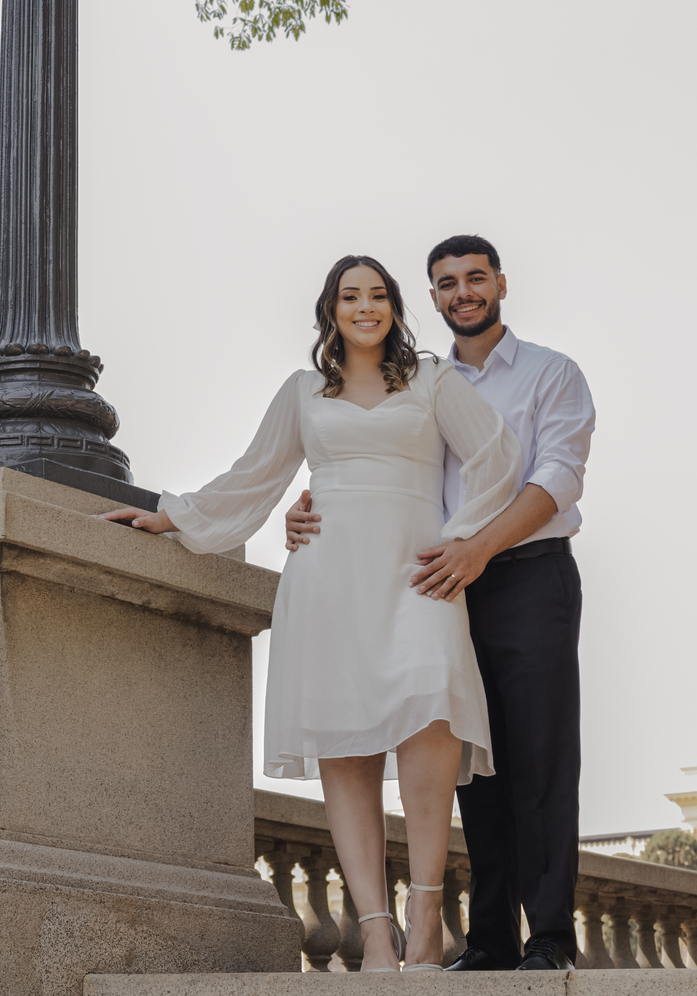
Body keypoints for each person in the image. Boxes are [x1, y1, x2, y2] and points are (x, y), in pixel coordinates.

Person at [101, 254, 522, 972]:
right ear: (331, 310)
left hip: (418, 578)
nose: (366, 307)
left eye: (378, 295)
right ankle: (378, 934)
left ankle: (426, 913)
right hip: (328, 582)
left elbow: (498, 455)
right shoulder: (302, 392)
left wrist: (459, 538)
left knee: (433, 715)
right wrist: (170, 516)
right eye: (351, 296)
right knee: (347, 748)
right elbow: (254, 475)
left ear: (394, 307)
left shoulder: (429, 377)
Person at [285, 234, 595, 972]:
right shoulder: (413, 380)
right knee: (469, 769)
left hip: (522, 574)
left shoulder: (553, 374)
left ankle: (548, 936)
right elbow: (372, 466)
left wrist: (476, 547)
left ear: (501, 285)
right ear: (432, 297)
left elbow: (557, 477)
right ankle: (488, 939)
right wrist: (310, 505)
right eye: (447, 282)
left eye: (475, 279)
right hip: (431, 587)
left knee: (539, 758)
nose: (463, 292)